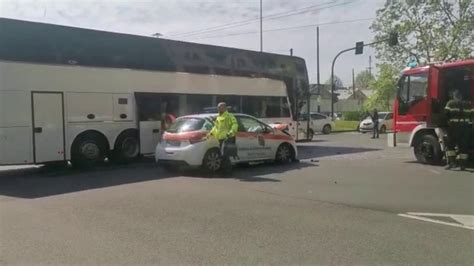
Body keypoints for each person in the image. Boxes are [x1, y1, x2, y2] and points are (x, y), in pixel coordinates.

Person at [444, 89, 471, 170]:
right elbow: (472, 115)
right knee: (463, 146)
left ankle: (452, 163)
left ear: (454, 96)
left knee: (450, 145)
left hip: (454, 127)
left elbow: (446, 114)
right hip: (465, 128)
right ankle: (463, 165)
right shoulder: (468, 104)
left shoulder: (450, 103)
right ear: (461, 96)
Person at [208, 102, 238, 172]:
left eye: (221, 107)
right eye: (218, 107)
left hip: (227, 138)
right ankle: (226, 168)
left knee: (225, 154)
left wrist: (230, 133)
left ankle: (227, 169)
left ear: (225, 108)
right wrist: (210, 134)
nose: (219, 109)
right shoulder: (218, 117)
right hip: (220, 138)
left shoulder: (229, 116)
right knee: (223, 154)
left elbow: (235, 125)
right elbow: (216, 127)